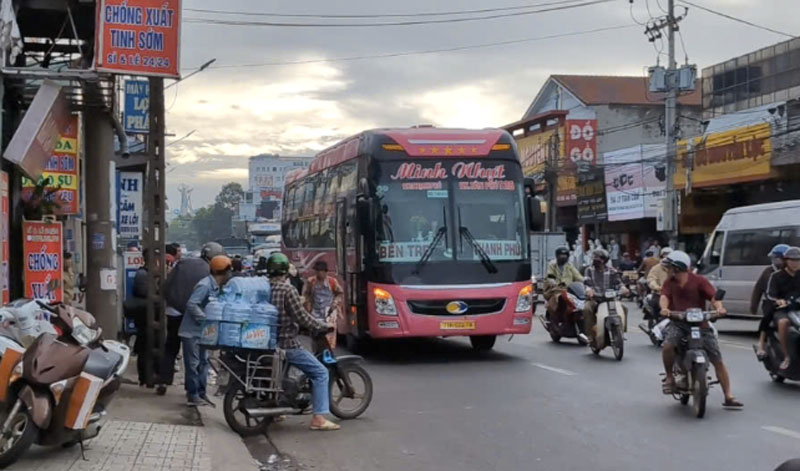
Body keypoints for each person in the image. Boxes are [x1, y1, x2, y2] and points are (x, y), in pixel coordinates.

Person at [267, 253, 341, 431]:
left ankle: (277, 411)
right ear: (285, 271)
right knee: (320, 372)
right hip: (287, 342)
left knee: (282, 376)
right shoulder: (288, 289)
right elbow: (301, 317)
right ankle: (319, 418)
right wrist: (321, 326)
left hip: (269, 342)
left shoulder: (265, 287)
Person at [659, 250, 742, 408]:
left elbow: (713, 297)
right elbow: (664, 297)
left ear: (677, 268)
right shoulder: (669, 283)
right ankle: (669, 377)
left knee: (717, 359)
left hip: (700, 325)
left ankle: (728, 396)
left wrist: (719, 308)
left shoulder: (699, 281)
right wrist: (665, 309)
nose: (667, 270)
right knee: (668, 346)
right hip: (679, 323)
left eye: (669, 267)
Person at [156, 242, 221, 396]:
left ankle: (164, 380)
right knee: (195, 356)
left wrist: (173, 302)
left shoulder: (183, 264)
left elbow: (166, 286)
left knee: (171, 348)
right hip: (193, 316)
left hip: (174, 312)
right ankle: (194, 389)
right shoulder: (209, 273)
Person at [179, 255, 233, 407]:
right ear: (224, 272)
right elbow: (192, 304)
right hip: (191, 332)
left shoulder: (216, 287)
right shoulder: (205, 285)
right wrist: (205, 320)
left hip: (203, 333)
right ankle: (193, 395)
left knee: (203, 363)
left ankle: (201, 394)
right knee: (193, 364)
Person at [764, 246, 800, 370]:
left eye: (798, 260)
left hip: (798, 308)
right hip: (783, 310)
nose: (795, 263)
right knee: (783, 322)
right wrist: (778, 300)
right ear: (786, 261)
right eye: (792, 260)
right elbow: (770, 294)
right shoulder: (776, 276)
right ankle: (786, 356)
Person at [583, 249, 628, 342]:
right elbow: (586, 283)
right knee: (587, 309)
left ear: (605, 260)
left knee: (624, 308)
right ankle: (590, 335)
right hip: (594, 298)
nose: (596, 259)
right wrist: (589, 290)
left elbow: (619, 283)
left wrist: (624, 289)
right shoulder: (589, 270)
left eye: (599, 258)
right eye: (595, 257)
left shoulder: (612, 271)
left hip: (610, 299)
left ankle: (622, 332)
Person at [754, 244, 790, 358]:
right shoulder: (769, 272)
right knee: (767, 320)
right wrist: (753, 306)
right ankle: (761, 345)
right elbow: (758, 289)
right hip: (772, 303)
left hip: (791, 303)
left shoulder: (793, 272)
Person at [303, 260, 344, 350]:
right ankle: (317, 352)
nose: (318, 273)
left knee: (329, 335)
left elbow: (340, 293)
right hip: (315, 312)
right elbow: (306, 294)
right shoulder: (311, 281)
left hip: (329, 312)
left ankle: (329, 352)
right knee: (316, 335)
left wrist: (335, 304)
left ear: (325, 272)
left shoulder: (332, 282)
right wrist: (308, 306)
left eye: (320, 271)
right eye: (317, 271)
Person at [544, 247, 584, 322]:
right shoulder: (552, 265)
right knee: (558, 299)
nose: (563, 257)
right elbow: (550, 276)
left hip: (569, 290)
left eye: (565, 255)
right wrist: (553, 281)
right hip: (556, 289)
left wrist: (584, 280)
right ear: (557, 256)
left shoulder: (569, 266)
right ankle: (557, 317)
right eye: (561, 255)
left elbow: (577, 276)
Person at [646, 248, 675, 341]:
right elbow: (651, 279)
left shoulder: (677, 268)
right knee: (658, 306)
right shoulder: (656, 268)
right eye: (665, 254)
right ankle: (658, 324)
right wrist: (657, 287)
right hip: (659, 294)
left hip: (675, 295)